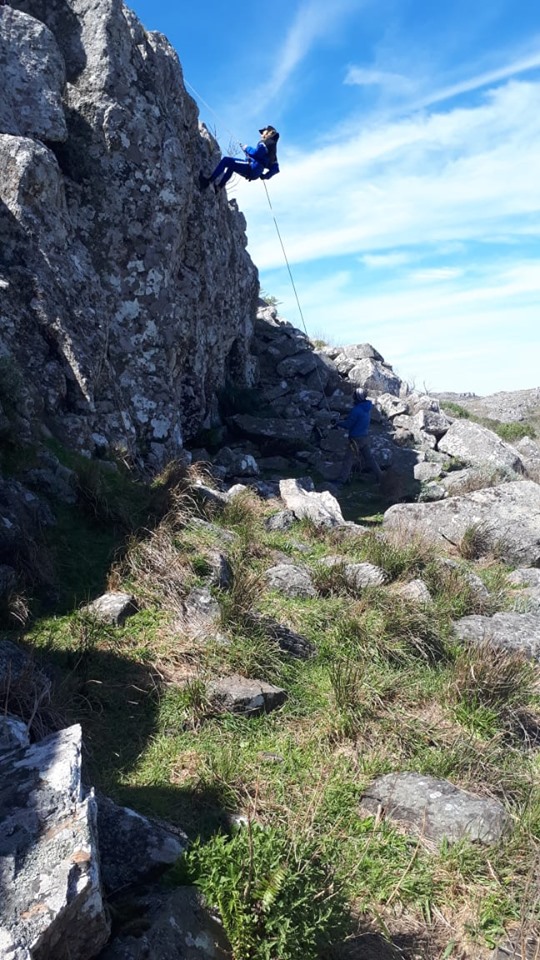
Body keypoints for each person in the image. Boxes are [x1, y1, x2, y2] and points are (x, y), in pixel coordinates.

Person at [199, 126, 280, 192]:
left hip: (251, 167)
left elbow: (257, 153)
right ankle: (218, 187)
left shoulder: (266, 143)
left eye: (263, 132)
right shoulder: (273, 151)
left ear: (269, 133)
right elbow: (275, 168)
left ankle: (208, 182)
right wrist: (264, 176)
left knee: (226, 160)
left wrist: (246, 148)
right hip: (255, 172)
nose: (261, 134)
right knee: (232, 166)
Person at [334, 388, 383, 485]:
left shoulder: (356, 410)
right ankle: (381, 477)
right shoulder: (367, 408)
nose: (353, 397)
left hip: (355, 439)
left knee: (348, 460)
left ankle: (341, 481)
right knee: (370, 459)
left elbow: (348, 425)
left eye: (354, 396)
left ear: (357, 397)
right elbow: (358, 419)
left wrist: (338, 423)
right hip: (364, 437)